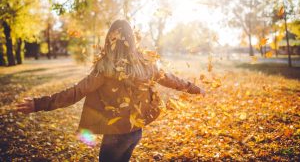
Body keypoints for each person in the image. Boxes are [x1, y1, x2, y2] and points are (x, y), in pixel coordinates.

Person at [16, 20, 205, 162]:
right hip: (135, 132)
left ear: (110, 39)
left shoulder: (105, 67)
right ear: (132, 41)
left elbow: (76, 92)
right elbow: (170, 79)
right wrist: (193, 88)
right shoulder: (147, 63)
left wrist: (38, 104)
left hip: (115, 136)